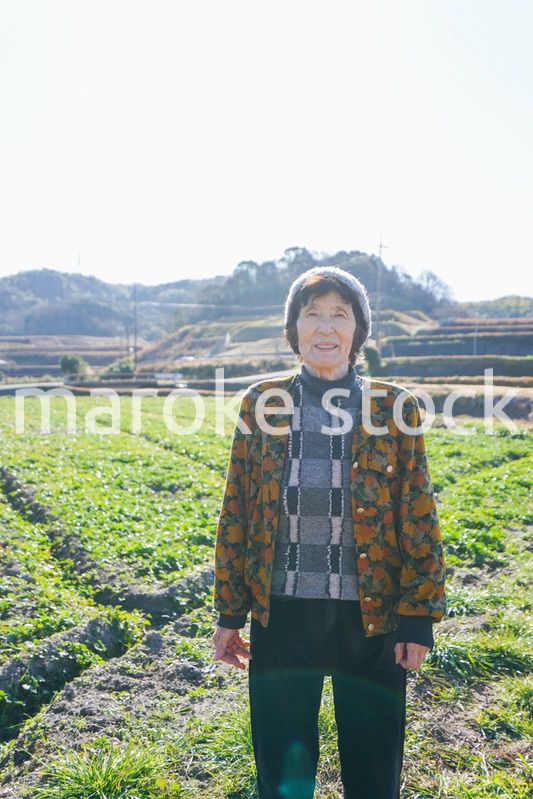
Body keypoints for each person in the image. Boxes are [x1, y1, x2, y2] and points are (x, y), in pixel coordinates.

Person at [212, 265, 446, 799]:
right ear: (292, 329)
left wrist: (418, 618)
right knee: (283, 771)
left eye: (339, 314)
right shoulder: (262, 403)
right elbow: (237, 510)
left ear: (358, 331)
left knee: (372, 766)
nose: (325, 326)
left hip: (372, 618)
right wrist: (230, 611)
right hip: (282, 611)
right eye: (311, 313)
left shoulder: (394, 407)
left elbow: (418, 513)